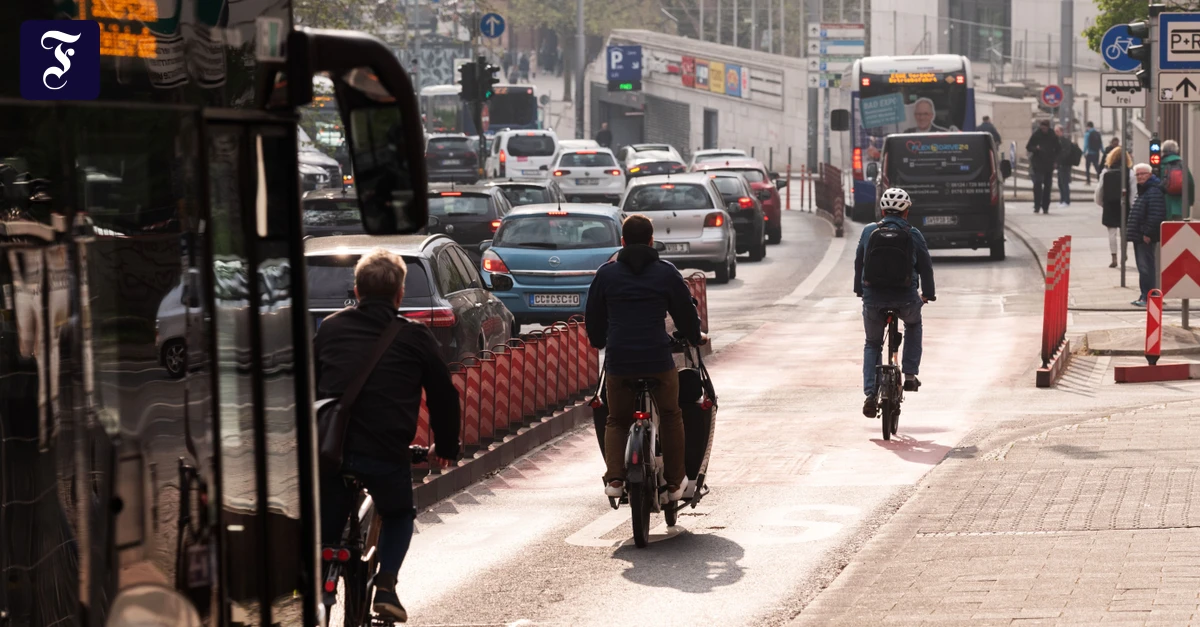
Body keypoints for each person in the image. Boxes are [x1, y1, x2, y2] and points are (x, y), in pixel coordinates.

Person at [315, 248, 460, 622]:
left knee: (325, 531)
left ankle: (316, 580)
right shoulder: (415, 337)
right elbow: (444, 396)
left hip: (331, 451)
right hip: (385, 451)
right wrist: (445, 447)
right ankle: (386, 586)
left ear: (356, 291)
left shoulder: (329, 328)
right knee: (398, 514)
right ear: (399, 294)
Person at [586, 214, 704, 502]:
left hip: (619, 361)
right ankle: (674, 484)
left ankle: (615, 479)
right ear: (652, 241)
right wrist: (694, 336)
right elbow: (685, 312)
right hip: (657, 360)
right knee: (671, 415)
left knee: (616, 419)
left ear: (622, 241)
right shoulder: (666, 273)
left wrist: (599, 341)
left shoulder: (606, 274)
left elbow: (594, 317)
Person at [854, 188, 935, 418]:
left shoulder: (869, 231)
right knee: (913, 324)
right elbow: (926, 267)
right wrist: (928, 294)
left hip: (874, 299)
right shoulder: (913, 234)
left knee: (872, 343)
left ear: (882, 211)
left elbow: (859, 262)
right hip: (906, 299)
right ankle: (909, 374)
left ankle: (870, 395)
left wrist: (860, 290)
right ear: (906, 212)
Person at [1127, 163, 1167, 307]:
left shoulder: (1153, 191)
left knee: (1146, 267)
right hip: (1140, 235)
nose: (1140, 177)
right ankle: (1146, 295)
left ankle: (1149, 296)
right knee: (1143, 267)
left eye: (1143, 174)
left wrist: (1147, 232)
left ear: (1150, 174)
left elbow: (1156, 214)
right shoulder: (1145, 190)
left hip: (1145, 236)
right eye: (1137, 174)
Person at [1094, 147, 1136, 268]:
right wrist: (1133, 208)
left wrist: (1101, 203)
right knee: (1124, 232)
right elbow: (1133, 193)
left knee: (1111, 233)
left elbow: (1099, 190)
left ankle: (1114, 257)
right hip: (1124, 205)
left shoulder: (1105, 172)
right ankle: (1124, 254)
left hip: (1109, 205)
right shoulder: (1130, 173)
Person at [1026, 120, 1060, 214]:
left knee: (1047, 186)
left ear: (1048, 127)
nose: (1043, 130)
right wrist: (1035, 149)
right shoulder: (1037, 134)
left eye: (1045, 128)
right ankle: (1037, 205)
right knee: (1038, 183)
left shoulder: (1052, 135)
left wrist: (1056, 161)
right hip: (1038, 163)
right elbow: (1029, 146)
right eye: (1042, 128)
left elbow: (1058, 149)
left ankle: (1045, 207)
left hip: (1049, 163)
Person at [1160, 139, 1196, 221]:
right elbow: (1190, 183)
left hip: (1166, 204)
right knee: (1181, 226)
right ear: (1176, 150)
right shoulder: (1182, 164)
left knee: (1166, 227)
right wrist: (1190, 201)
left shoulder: (1161, 165)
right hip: (1182, 204)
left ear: (1163, 151)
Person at [1055, 124, 1077, 207]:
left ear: (1061, 132)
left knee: (1064, 183)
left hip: (1065, 165)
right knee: (1060, 183)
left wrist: (1059, 160)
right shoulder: (1056, 141)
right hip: (1059, 165)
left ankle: (1066, 200)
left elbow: (1066, 153)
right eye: (1055, 131)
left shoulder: (1065, 141)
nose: (1056, 133)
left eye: (1057, 131)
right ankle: (1062, 199)